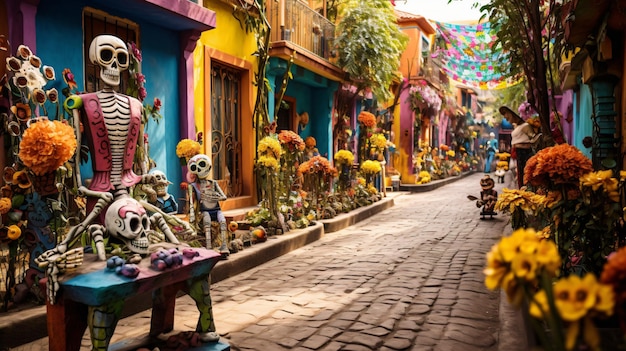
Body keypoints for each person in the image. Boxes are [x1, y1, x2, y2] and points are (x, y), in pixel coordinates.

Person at [500, 106, 536, 188]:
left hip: (524, 153)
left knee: (524, 175)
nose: (505, 118)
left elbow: (534, 138)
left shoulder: (525, 126)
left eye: (506, 115)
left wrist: (526, 145)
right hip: (517, 153)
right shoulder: (517, 126)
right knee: (518, 176)